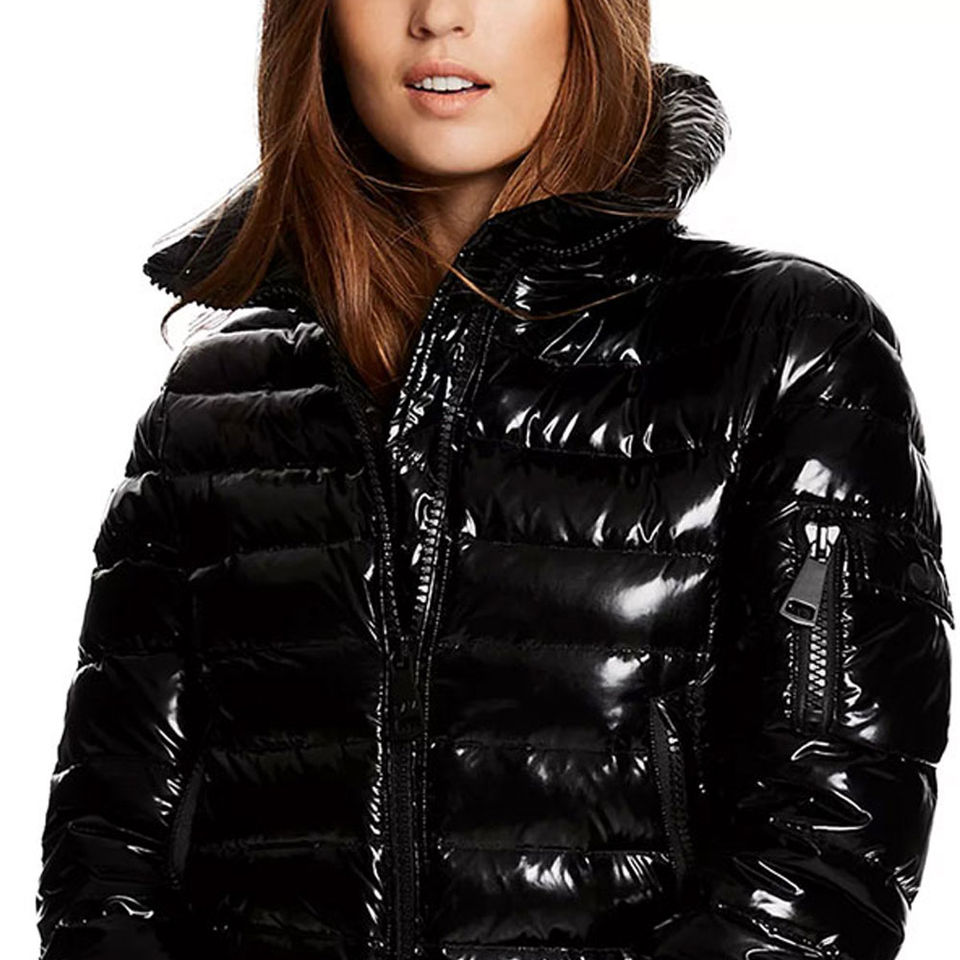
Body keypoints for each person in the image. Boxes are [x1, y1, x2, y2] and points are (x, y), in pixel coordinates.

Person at [35, 2, 953, 959]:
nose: (440, 17)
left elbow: (827, 839)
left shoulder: (784, 348)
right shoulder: (214, 401)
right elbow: (107, 856)